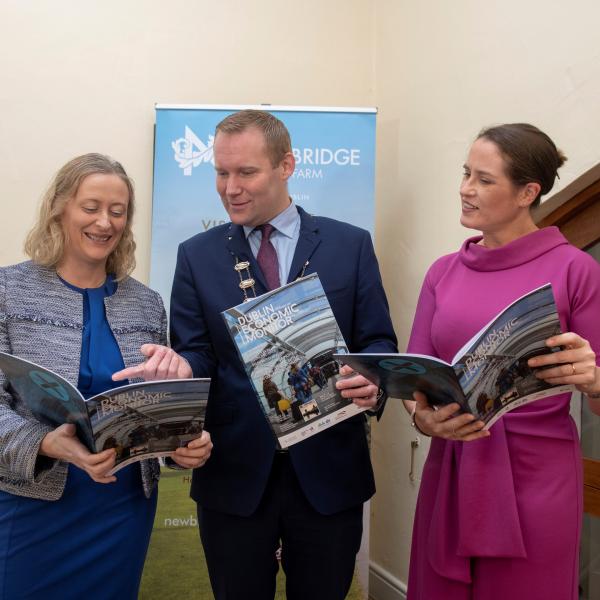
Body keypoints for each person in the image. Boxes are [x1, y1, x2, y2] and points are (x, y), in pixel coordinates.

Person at [167, 109, 398, 600]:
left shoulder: (350, 245)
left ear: (287, 165)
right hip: (233, 476)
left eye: (246, 172)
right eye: (221, 172)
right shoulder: (196, 254)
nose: (231, 187)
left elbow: (379, 343)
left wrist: (371, 379)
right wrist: (180, 367)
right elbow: (195, 353)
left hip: (330, 473)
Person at [0, 154, 212, 599]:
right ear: (60, 207)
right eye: (91, 207)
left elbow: (157, 404)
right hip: (31, 500)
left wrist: (183, 445)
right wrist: (43, 443)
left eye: (118, 212)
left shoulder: (147, 303)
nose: (104, 222)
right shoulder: (8, 290)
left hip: (121, 507)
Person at [405, 124, 600, 600]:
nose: (465, 189)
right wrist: (424, 419)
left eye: (484, 179)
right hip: (451, 464)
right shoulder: (442, 272)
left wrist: (593, 379)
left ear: (526, 193)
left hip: (538, 478)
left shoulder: (576, 269)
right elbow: (414, 372)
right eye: (466, 173)